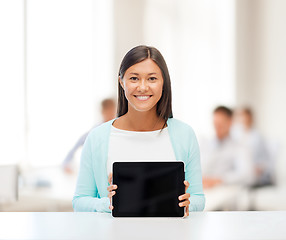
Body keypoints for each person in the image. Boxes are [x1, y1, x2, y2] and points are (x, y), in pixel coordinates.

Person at [72, 45, 205, 216]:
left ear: (163, 82)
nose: (142, 87)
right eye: (134, 78)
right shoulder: (97, 137)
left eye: (152, 79)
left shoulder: (184, 134)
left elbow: (198, 198)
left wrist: (187, 203)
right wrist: (111, 204)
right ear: (121, 81)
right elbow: (80, 201)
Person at [200, 106, 254, 188]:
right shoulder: (206, 145)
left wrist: (219, 180)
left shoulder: (240, 147)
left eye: (220, 125)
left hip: (226, 189)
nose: (217, 128)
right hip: (205, 188)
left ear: (230, 122)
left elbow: (247, 175)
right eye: (215, 125)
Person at [62, 98, 116, 173]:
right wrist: (66, 163)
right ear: (102, 111)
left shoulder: (118, 128)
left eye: (112, 111)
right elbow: (77, 145)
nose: (110, 114)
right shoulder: (95, 130)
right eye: (108, 111)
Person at [232, 107, 274, 186]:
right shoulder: (236, 134)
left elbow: (267, 159)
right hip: (240, 172)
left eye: (245, 116)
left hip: (255, 172)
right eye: (241, 116)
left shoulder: (258, 136)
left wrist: (260, 167)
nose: (243, 119)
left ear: (250, 118)